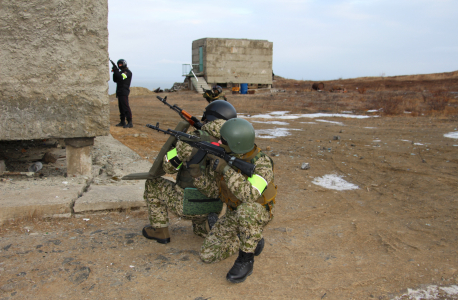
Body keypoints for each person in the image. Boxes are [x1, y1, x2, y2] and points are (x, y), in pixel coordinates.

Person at [192, 118, 277, 283]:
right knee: (208, 255)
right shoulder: (225, 155)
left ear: (236, 144)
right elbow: (214, 191)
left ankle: (246, 259)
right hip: (233, 213)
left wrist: (225, 169)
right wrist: (197, 175)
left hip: (256, 212)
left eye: (222, 140)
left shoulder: (262, 164)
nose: (218, 141)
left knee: (247, 210)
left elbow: (249, 195)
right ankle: (253, 239)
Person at [142, 100, 237, 243]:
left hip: (188, 204)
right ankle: (208, 226)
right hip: (216, 205)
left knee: (152, 183)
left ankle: (160, 231)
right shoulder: (236, 143)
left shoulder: (190, 141)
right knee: (198, 229)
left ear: (208, 118)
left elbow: (168, 167)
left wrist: (176, 147)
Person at [112, 59, 133, 128]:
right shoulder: (121, 72)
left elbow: (121, 77)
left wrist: (116, 71)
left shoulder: (127, 72)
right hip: (120, 91)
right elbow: (115, 80)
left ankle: (130, 122)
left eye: (120, 64)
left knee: (125, 106)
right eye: (118, 64)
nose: (119, 65)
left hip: (124, 91)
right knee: (121, 108)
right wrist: (115, 71)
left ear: (124, 64)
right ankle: (122, 121)